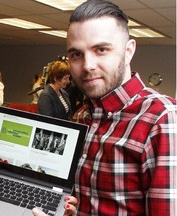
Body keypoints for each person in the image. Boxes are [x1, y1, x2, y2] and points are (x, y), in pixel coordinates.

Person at [33, 0, 177, 215]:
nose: (88, 65)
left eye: (101, 49)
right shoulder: (82, 117)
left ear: (128, 51)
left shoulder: (162, 118)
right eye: (76, 54)